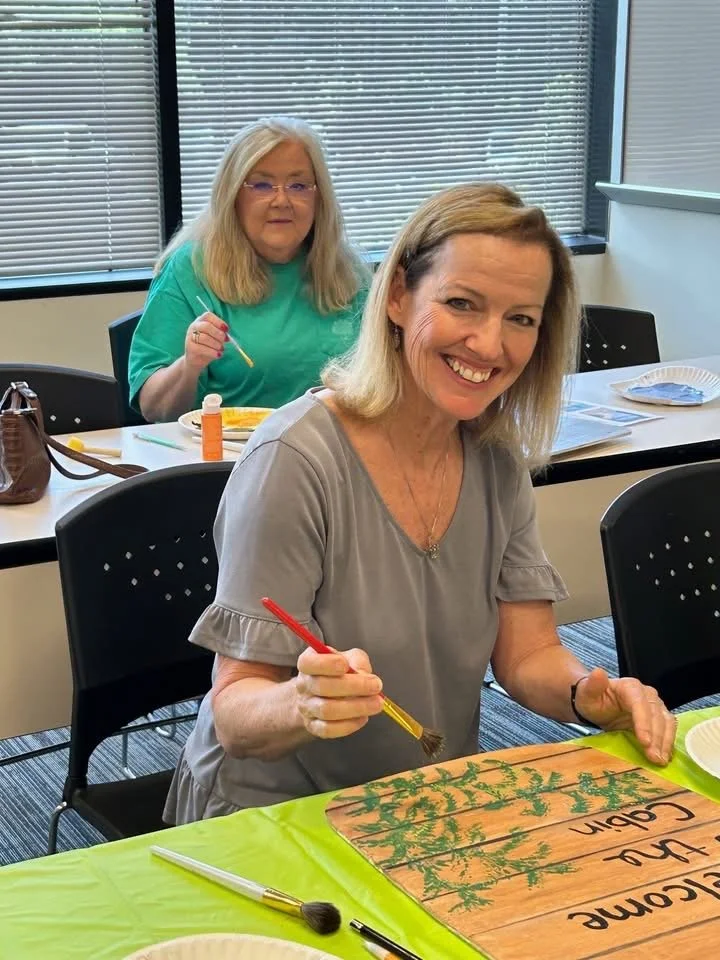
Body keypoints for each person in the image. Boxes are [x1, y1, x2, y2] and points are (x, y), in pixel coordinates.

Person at [164, 183, 677, 824]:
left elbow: (526, 655)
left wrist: (587, 694)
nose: (490, 346)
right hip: (275, 817)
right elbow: (236, 712)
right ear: (400, 296)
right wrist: (304, 704)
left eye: (520, 319)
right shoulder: (293, 460)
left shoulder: (495, 457)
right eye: (462, 303)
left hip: (422, 804)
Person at [128, 117, 369, 422]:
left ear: (319, 197)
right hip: (229, 459)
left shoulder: (348, 272)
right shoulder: (191, 270)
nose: (282, 200)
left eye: (298, 185)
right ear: (232, 196)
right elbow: (154, 409)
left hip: (335, 455)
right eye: (262, 185)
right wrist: (190, 365)